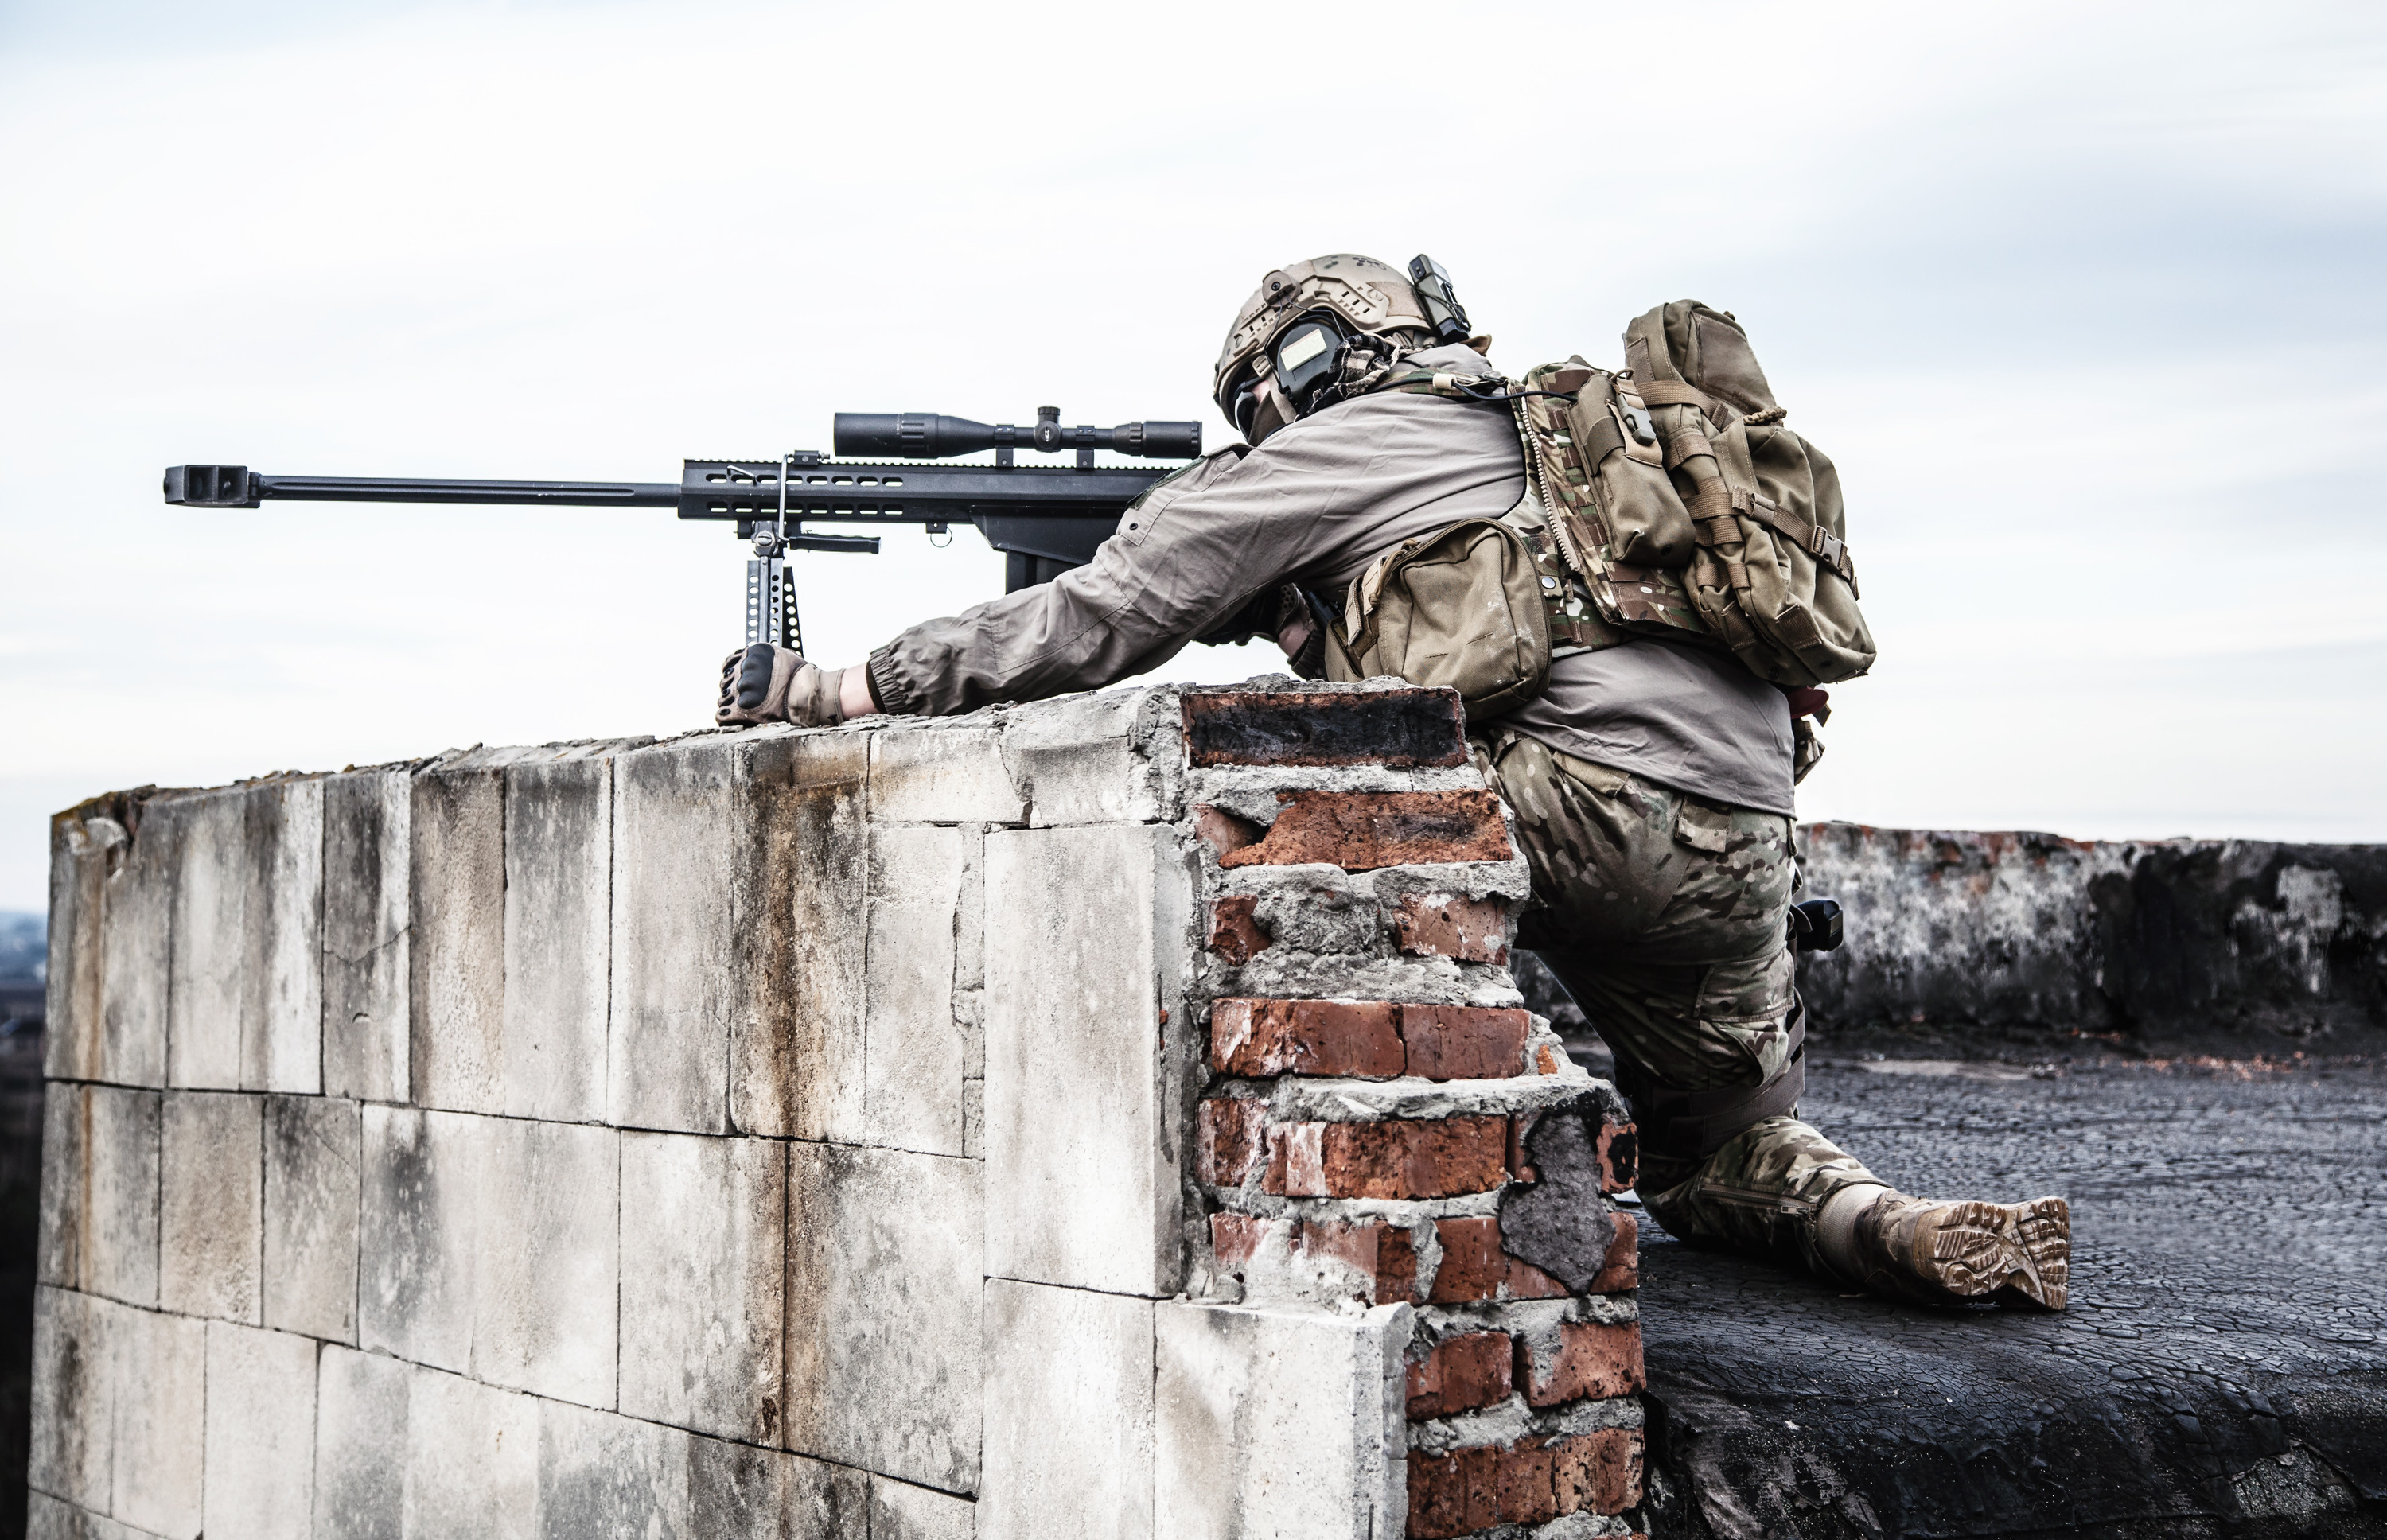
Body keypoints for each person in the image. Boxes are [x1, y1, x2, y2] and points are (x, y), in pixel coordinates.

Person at [716, 253, 2070, 1312]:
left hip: (1561, 814)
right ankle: (1877, 1224)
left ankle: (1392, 1179)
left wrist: (844, 688)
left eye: (1260, 411)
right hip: (1743, 847)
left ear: (1305, 376)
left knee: (1278, 799)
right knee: (1720, 1148)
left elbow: (1103, 614)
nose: (1260, 432)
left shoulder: (1329, 454)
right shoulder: (1579, 446)